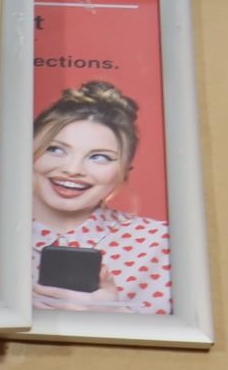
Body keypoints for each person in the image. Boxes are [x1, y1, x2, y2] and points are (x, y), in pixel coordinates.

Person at [30, 81, 171, 316]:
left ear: (124, 172)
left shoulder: (161, 243)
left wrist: (115, 315)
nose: (73, 169)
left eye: (99, 157)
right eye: (55, 149)